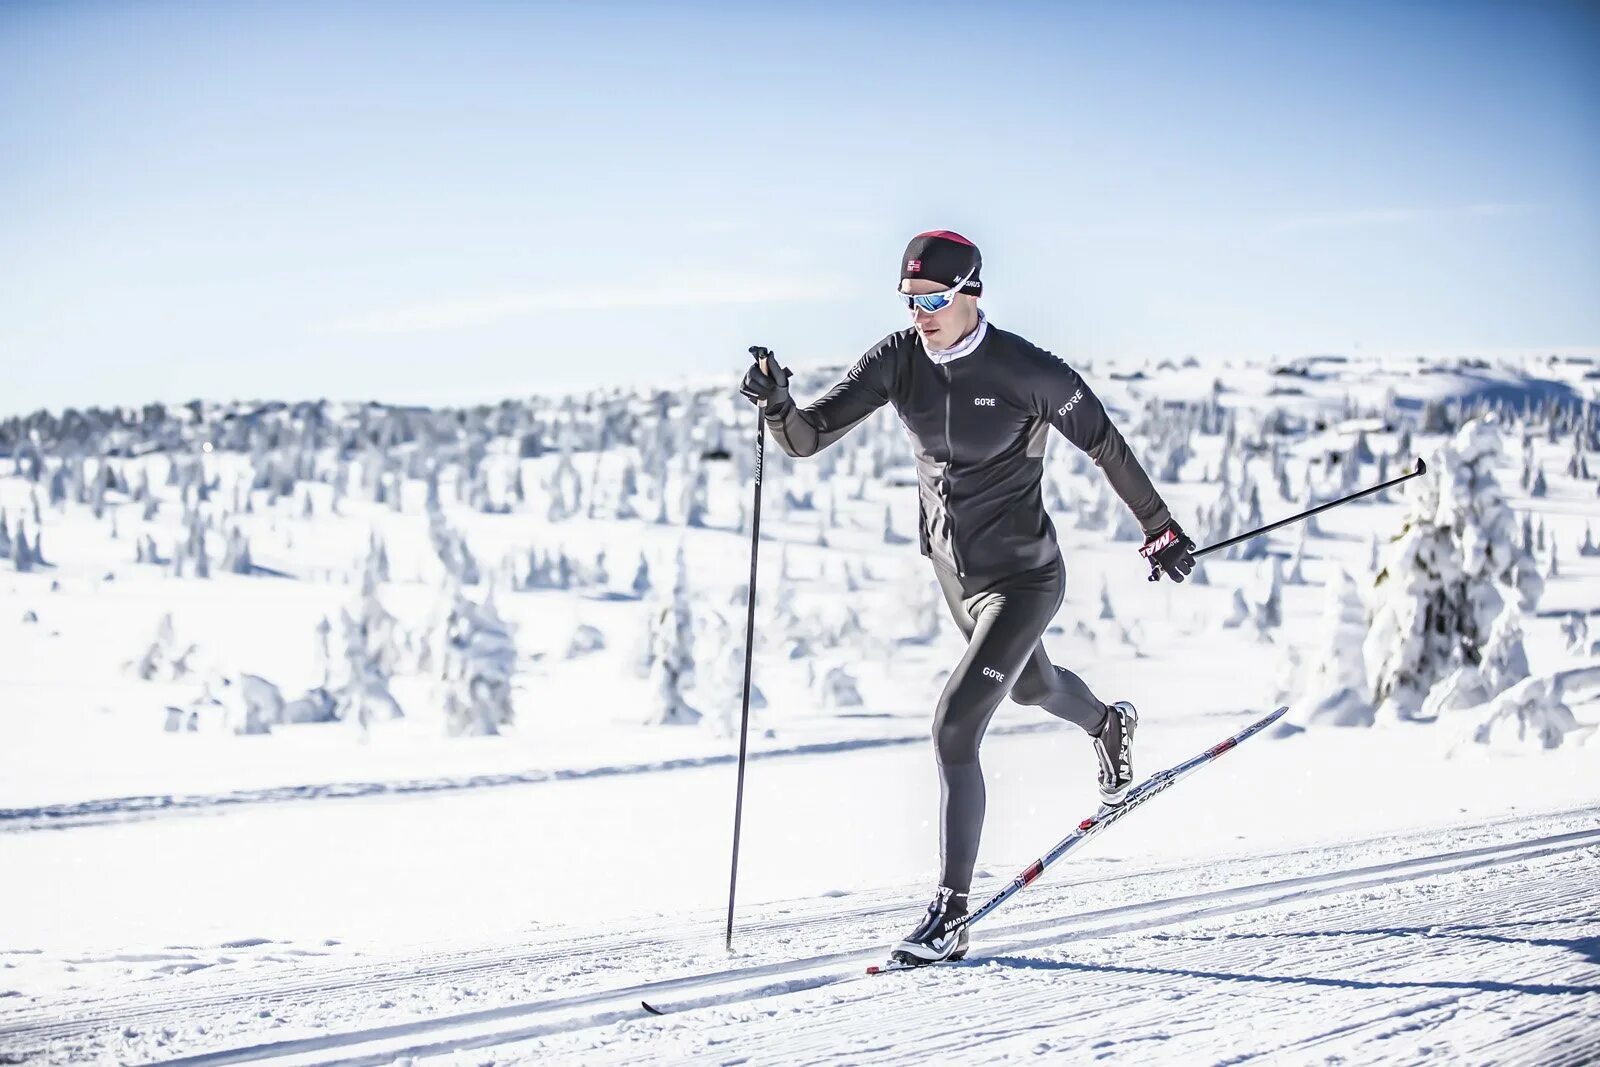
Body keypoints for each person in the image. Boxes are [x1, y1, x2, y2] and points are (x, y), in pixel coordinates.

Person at [739, 230, 1196, 967]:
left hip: (1023, 577)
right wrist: (778, 404)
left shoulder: (1024, 370)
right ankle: (1109, 726)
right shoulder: (899, 358)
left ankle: (950, 914)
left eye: (936, 300)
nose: (922, 314)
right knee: (1034, 686)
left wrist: (1159, 527)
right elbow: (808, 435)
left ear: (973, 292)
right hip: (956, 573)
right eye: (912, 300)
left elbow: (1104, 440)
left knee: (956, 727)